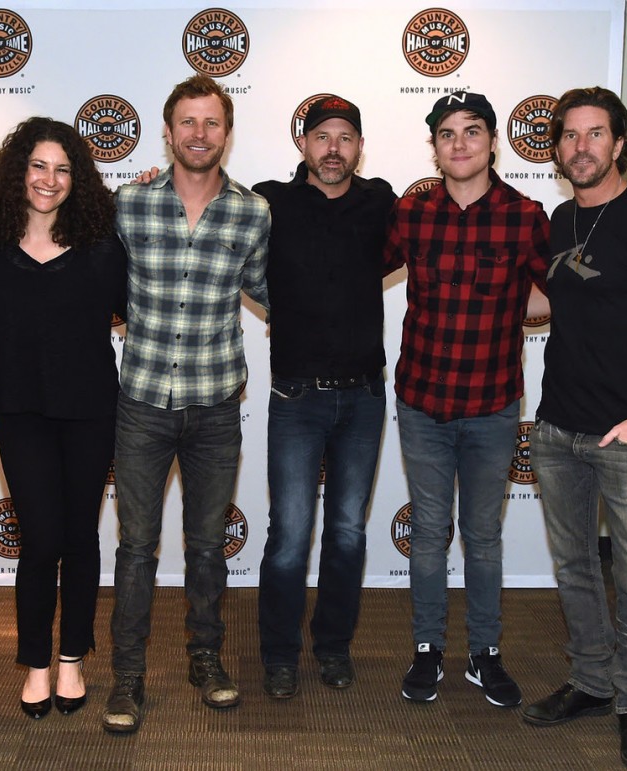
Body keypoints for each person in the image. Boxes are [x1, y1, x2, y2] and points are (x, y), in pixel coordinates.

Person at [522, 87, 627, 770]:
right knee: (574, 570)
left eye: (595, 134)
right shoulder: (560, 218)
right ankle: (591, 682)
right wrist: (475, 291)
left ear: (618, 144)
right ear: (557, 148)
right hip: (558, 428)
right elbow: (547, 302)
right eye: (569, 136)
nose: (581, 147)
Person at [101, 74, 270, 734]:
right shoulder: (129, 204)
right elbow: (83, 271)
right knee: (136, 548)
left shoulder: (252, 213)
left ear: (226, 133)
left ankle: (207, 659)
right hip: (141, 401)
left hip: (216, 405)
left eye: (212, 123)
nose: (200, 134)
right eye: (188, 123)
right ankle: (128, 676)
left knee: (206, 547)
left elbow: (276, 291)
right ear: (168, 132)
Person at [384, 91, 551, 708]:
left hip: (492, 404)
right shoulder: (412, 212)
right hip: (422, 401)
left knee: (482, 537)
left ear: (492, 141)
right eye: (447, 133)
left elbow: (560, 293)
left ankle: (485, 654)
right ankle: (428, 649)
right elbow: (347, 264)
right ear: (434, 146)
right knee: (429, 533)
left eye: (472, 131)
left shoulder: (526, 215)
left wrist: (514, 311)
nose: (459, 143)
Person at [0, 118, 126, 720]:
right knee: (39, 541)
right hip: (19, 410)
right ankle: (35, 662)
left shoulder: (102, 243)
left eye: (63, 169)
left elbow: (131, 306)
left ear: (78, 179)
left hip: (90, 409)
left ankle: (72, 661)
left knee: (80, 536)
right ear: (19, 171)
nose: (50, 179)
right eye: (39, 165)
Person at [253, 95, 393, 699]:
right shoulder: (269, 201)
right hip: (295, 397)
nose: (333, 148)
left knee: (347, 535)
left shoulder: (382, 201)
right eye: (322, 136)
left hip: (363, 396)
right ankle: (279, 655)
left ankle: (333, 647)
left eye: (345, 137)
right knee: (288, 537)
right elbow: (204, 214)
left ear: (359, 147)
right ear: (303, 144)